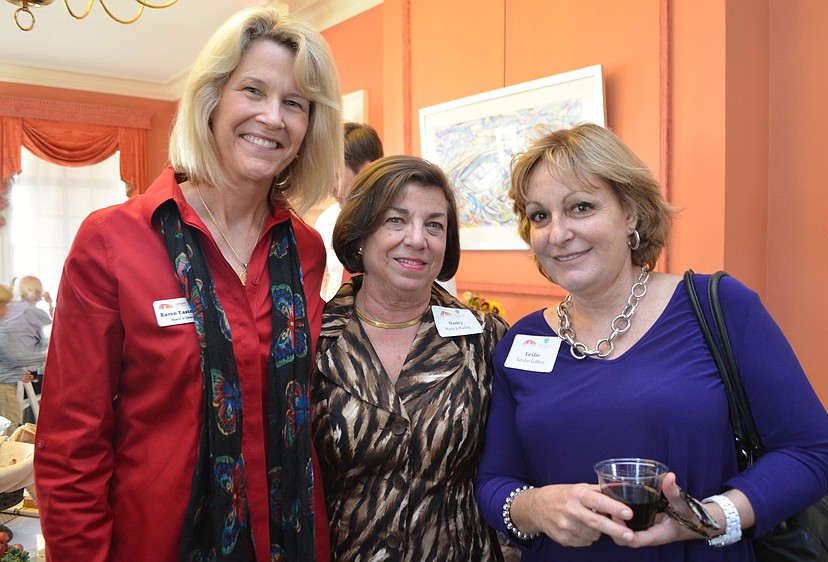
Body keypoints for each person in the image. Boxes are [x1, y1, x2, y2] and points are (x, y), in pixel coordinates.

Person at [34, 6, 342, 561]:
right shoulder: (113, 241)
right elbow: (70, 448)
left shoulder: (306, 250)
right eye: (253, 90)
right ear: (211, 99)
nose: (273, 117)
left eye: (294, 102)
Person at [475, 123, 828, 562]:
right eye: (540, 215)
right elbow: (494, 481)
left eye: (581, 207)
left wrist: (711, 516)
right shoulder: (521, 341)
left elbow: (811, 453)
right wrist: (533, 507)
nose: (557, 234)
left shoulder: (720, 306)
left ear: (630, 212)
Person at [311, 155, 509, 561]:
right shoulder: (310, 340)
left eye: (434, 225)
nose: (418, 239)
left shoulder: (485, 339)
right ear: (360, 235)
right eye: (396, 220)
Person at [314, 121, 384, 301]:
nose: (331, 188)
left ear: (367, 171)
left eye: (336, 176)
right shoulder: (327, 220)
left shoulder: (406, 226)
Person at [0, 285, 42, 430]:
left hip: (6, 382)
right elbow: (15, 357)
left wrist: (18, 373)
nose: (8, 309)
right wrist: (44, 357)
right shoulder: (2, 329)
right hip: (4, 388)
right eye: (5, 305)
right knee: (11, 429)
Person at [3, 275, 53, 355]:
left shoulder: (9, 307)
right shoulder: (36, 312)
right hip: (27, 362)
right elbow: (56, 326)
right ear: (38, 292)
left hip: (8, 361)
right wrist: (50, 303)